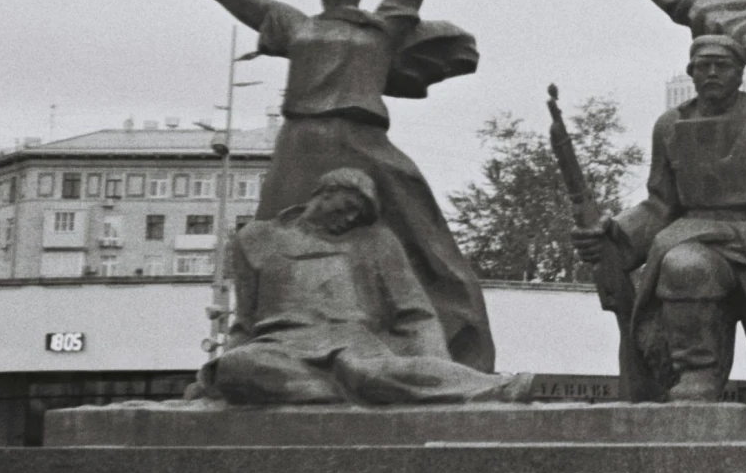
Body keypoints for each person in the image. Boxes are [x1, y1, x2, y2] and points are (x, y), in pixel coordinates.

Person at [142, 0, 493, 369]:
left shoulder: (383, 25)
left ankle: (450, 354)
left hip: (364, 142)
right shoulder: (292, 24)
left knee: (429, 243)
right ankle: (250, 342)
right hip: (301, 143)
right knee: (265, 240)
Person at [576, 36, 746, 403]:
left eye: (721, 65)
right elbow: (660, 204)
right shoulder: (669, 126)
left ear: (740, 74)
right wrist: (617, 234)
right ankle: (698, 371)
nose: (711, 72)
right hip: (694, 235)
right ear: (690, 72)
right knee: (684, 266)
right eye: (702, 65)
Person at [213, 169, 530, 406]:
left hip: (351, 343)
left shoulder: (375, 241)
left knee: (371, 373)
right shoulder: (256, 238)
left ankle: (493, 388)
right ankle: (342, 392)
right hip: (279, 346)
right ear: (325, 193)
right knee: (235, 368)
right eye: (348, 205)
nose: (351, 217)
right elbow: (245, 318)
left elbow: (415, 314)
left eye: (359, 214)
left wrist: (437, 362)